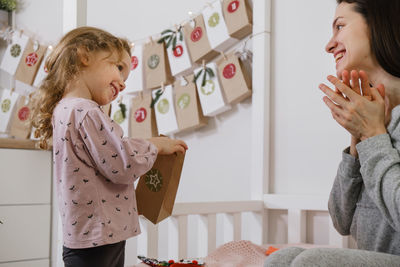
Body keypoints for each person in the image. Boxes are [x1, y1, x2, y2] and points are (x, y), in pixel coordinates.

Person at [31, 26, 188, 267]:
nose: (124, 84)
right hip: (99, 236)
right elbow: (123, 164)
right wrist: (154, 146)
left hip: (84, 234)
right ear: (85, 56)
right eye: (119, 68)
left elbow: (101, 164)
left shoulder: (64, 109)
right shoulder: (85, 111)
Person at [265, 0, 400, 266]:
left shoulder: (378, 130)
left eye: (340, 26)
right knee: (282, 259)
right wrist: (357, 144)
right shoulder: (374, 119)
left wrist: (373, 138)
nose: (329, 45)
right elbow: (341, 220)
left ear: (378, 24)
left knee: (310, 262)